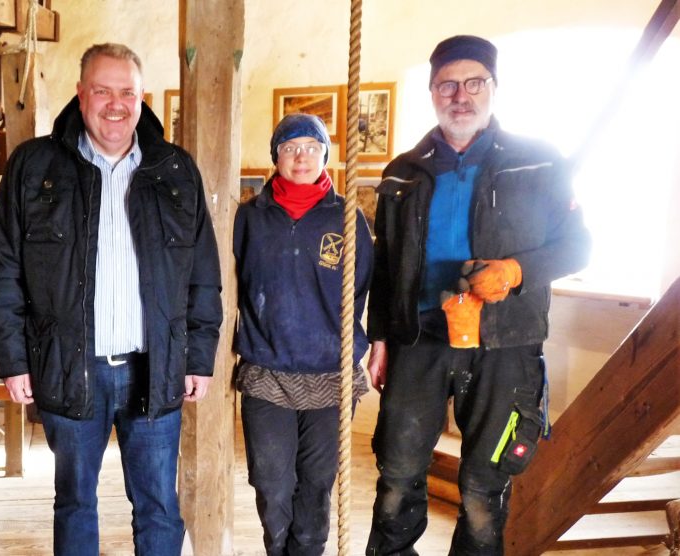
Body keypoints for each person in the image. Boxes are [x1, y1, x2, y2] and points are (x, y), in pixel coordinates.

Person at [0, 43, 222, 556]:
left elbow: (203, 274)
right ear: (80, 94)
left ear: (142, 98)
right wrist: (14, 360)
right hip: (67, 365)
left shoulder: (175, 171)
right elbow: (1, 270)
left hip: (153, 366)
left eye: (127, 92)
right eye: (103, 91)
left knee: (159, 503)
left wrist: (198, 357)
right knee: (74, 502)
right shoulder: (34, 166)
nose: (116, 104)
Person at [364, 35, 591, 554]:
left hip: (504, 345)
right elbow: (386, 263)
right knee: (397, 476)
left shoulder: (539, 162)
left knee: (483, 487)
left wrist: (514, 270)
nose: (459, 95)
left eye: (473, 83)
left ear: (493, 87)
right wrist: (380, 338)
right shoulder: (404, 170)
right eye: (447, 84)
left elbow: (579, 246)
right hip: (418, 340)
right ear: (432, 91)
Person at [233, 113, 373, 556]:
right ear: (275, 157)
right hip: (266, 371)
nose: (301, 157)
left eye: (312, 148)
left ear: (325, 156)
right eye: (291, 147)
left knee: (315, 484)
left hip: (331, 376)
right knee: (272, 482)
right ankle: (278, 550)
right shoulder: (250, 217)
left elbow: (365, 285)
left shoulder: (348, 219)